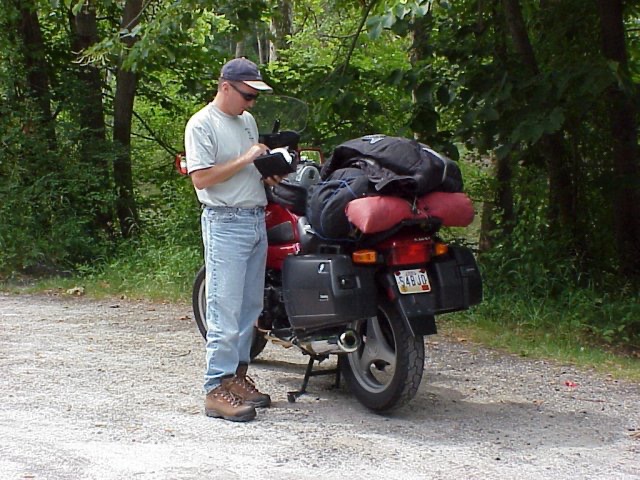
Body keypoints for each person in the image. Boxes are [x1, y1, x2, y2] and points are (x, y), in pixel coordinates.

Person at [184, 57, 281, 422]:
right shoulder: (202, 124)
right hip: (225, 221)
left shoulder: (247, 121)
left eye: (255, 96)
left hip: (255, 217)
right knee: (224, 309)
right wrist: (246, 158)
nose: (252, 102)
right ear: (226, 87)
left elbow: (250, 167)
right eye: (247, 95)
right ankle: (214, 389)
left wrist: (268, 174)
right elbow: (202, 179)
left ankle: (236, 377)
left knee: (249, 308)